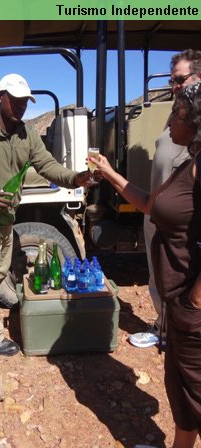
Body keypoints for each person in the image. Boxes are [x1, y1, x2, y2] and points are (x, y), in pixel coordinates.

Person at [0, 73, 94, 356]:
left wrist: (75, 178)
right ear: (0, 97)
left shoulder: (26, 134)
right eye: (15, 100)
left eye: (25, 101)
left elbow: (48, 165)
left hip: (7, 217)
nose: (21, 106)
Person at [90, 81, 201, 448]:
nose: (169, 123)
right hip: (178, 303)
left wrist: (195, 303)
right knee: (182, 393)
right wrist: (109, 173)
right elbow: (152, 204)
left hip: (193, 310)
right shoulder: (191, 163)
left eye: (178, 115)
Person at [132, 49, 201, 349]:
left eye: (180, 79)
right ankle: (164, 328)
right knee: (158, 273)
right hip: (158, 208)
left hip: (178, 216)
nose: (174, 85)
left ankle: (180, 332)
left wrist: (195, 303)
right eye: (172, 80)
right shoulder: (177, 111)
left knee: (179, 276)